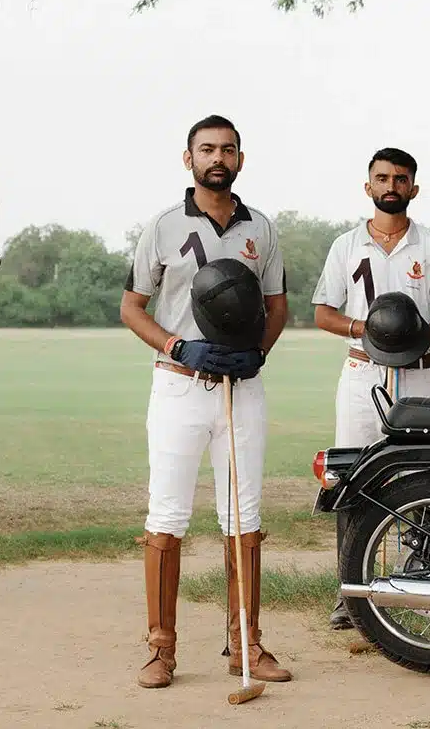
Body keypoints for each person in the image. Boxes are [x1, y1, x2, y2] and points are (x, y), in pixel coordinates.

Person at [120, 114, 291, 689]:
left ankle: (247, 643)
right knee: (166, 517)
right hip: (178, 384)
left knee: (243, 518)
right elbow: (131, 307)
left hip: (241, 389)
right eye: (207, 149)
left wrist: (257, 354)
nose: (218, 158)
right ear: (188, 158)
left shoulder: (261, 229)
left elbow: (277, 307)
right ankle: (160, 649)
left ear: (241, 159)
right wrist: (177, 344)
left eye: (228, 150)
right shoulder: (163, 226)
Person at [313, 147, 430, 630]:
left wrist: (412, 339)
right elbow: (322, 312)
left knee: (427, 477)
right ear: (368, 186)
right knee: (353, 479)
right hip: (361, 371)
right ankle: (349, 595)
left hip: (418, 373)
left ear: (413, 188)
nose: (390, 185)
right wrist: (370, 331)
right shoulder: (345, 245)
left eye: (400, 178)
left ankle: (424, 584)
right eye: (382, 178)